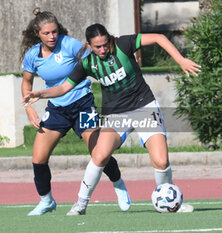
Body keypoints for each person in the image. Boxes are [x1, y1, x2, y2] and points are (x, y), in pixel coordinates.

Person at [22, 23, 201, 215]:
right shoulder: (87, 63)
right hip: (116, 114)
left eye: (105, 44)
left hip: (144, 108)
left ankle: (171, 202)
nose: (102, 49)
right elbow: (64, 87)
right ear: (89, 46)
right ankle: (81, 204)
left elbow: (159, 37)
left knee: (161, 161)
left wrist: (180, 60)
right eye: (97, 46)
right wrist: (41, 93)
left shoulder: (124, 44)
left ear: (110, 40)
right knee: (99, 155)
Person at [20, 10, 130, 216]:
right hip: (56, 109)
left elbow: (96, 60)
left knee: (99, 152)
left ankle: (119, 184)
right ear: (37, 33)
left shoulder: (69, 44)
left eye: (54, 32)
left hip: (83, 104)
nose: (52, 36)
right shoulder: (32, 55)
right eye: (47, 33)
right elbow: (26, 82)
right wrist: (28, 108)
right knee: (38, 158)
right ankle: (46, 201)